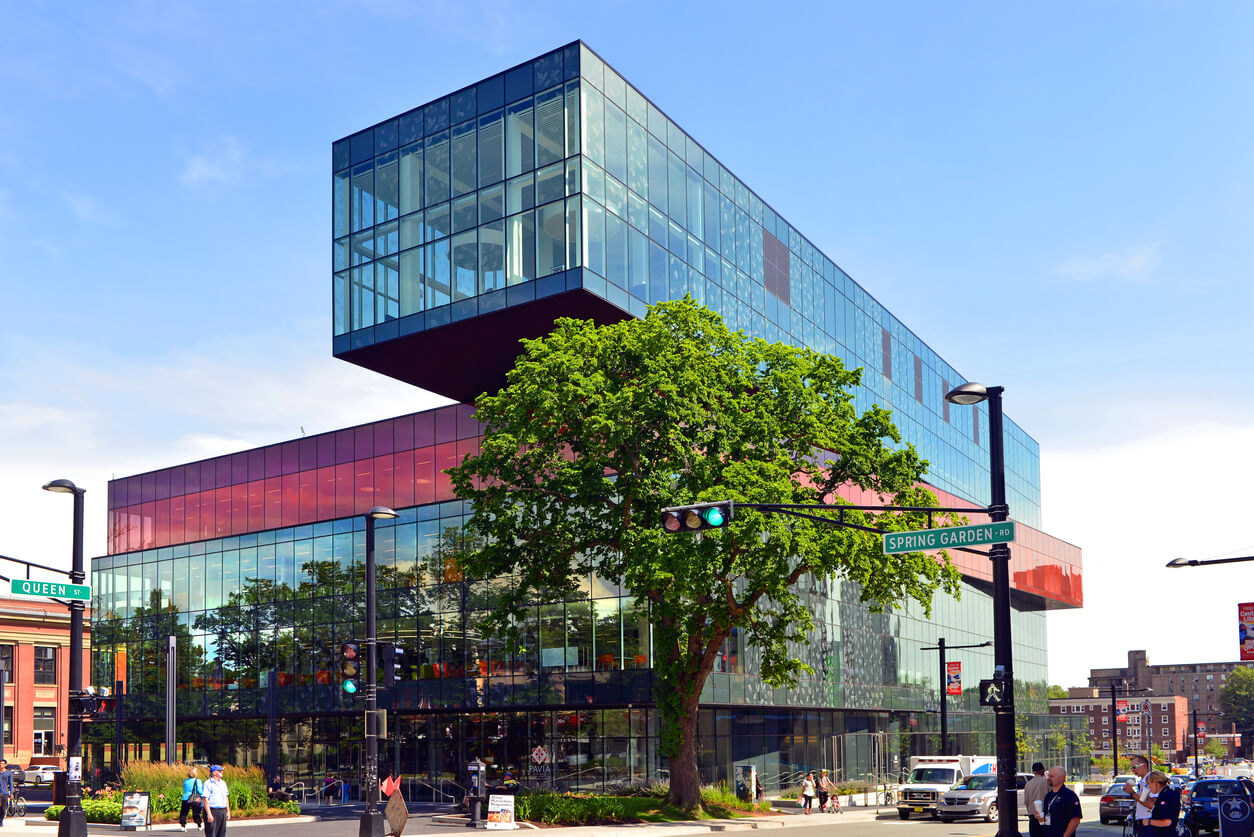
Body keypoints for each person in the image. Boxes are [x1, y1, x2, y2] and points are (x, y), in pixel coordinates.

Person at [1043, 766, 1082, 837]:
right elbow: (1046, 816)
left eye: (1051, 776)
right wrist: (1039, 817)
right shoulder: (1048, 796)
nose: (1048, 778)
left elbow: (1075, 820)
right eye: (1048, 776)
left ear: (1061, 778)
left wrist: (1065, 835)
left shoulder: (1070, 796)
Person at [1143, 770, 1180, 837]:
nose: (1149, 787)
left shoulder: (1165, 797)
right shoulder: (1167, 793)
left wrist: (1149, 821)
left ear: (1155, 783)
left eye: (1149, 784)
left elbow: (1167, 822)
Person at [1125, 755, 1152, 835]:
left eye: (1134, 767)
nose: (1133, 770)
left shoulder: (1149, 781)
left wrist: (1132, 792)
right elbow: (1142, 799)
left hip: (1147, 821)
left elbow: (1148, 803)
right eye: (1131, 768)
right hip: (1142, 820)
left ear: (1144, 766)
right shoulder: (1142, 782)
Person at [202, 765, 230, 837]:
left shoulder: (223, 783)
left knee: (221, 834)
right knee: (211, 833)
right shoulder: (207, 784)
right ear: (214, 773)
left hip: (222, 810)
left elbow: (226, 797)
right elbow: (205, 799)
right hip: (213, 810)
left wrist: (228, 811)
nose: (222, 772)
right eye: (220, 771)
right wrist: (209, 814)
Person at [1024, 762, 1050, 837]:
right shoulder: (1047, 782)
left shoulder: (1028, 784)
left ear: (1033, 772)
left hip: (1032, 815)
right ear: (1044, 770)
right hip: (1045, 816)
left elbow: (1026, 801)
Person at [180, 766, 204, 831]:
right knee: (196, 813)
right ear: (195, 773)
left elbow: (185, 789)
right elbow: (199, 790)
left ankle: (183, 826)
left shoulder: (185, 781)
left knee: (184, 812)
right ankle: (199, 824)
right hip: (195, 798)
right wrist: (202, 797)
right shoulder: (198, 781)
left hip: (185, 798)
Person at [0, 758, 12, 827]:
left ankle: (1, 820)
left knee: (3, 808)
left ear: (5, 765)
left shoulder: (8, 773)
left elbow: (10, 783)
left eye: (2, 763)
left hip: (5, 793)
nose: (0, 765)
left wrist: (11, 793)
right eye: (0, 763)